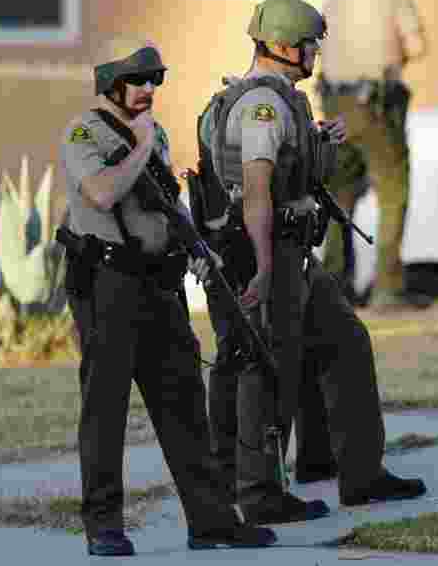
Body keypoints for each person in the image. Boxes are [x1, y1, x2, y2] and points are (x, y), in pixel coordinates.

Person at [194, 0, 427, 524]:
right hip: (269, 250)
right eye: (308, 43)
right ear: (280, 46)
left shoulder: (284, 101)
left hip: (294, 250)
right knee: (266, 368)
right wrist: (262, 266)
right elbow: (255, 191)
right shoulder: (263, 106)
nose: (315, 52)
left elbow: (282, 171)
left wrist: (318, 142)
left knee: (346, 341)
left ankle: (362, 475)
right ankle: (258, 493)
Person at [58, 38, 276, 556]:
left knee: (184, 406)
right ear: (111, 82)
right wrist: (140, 144)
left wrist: (195, 250)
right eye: (138, 80)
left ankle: (211, 521)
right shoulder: (84, 131)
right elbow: (104, 192)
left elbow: (165, 209)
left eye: (156, 80)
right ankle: (104, 526)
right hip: (108, 286)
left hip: (160, 286)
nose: (149, 90)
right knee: (105, 410)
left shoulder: (153, 138)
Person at [318, 0, 430, 312]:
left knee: (337, 196)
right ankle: (387, 287)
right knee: (392, 193)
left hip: (335, 104)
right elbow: (416, 47)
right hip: (377, 106)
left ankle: (334, 284)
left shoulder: (331, 2)